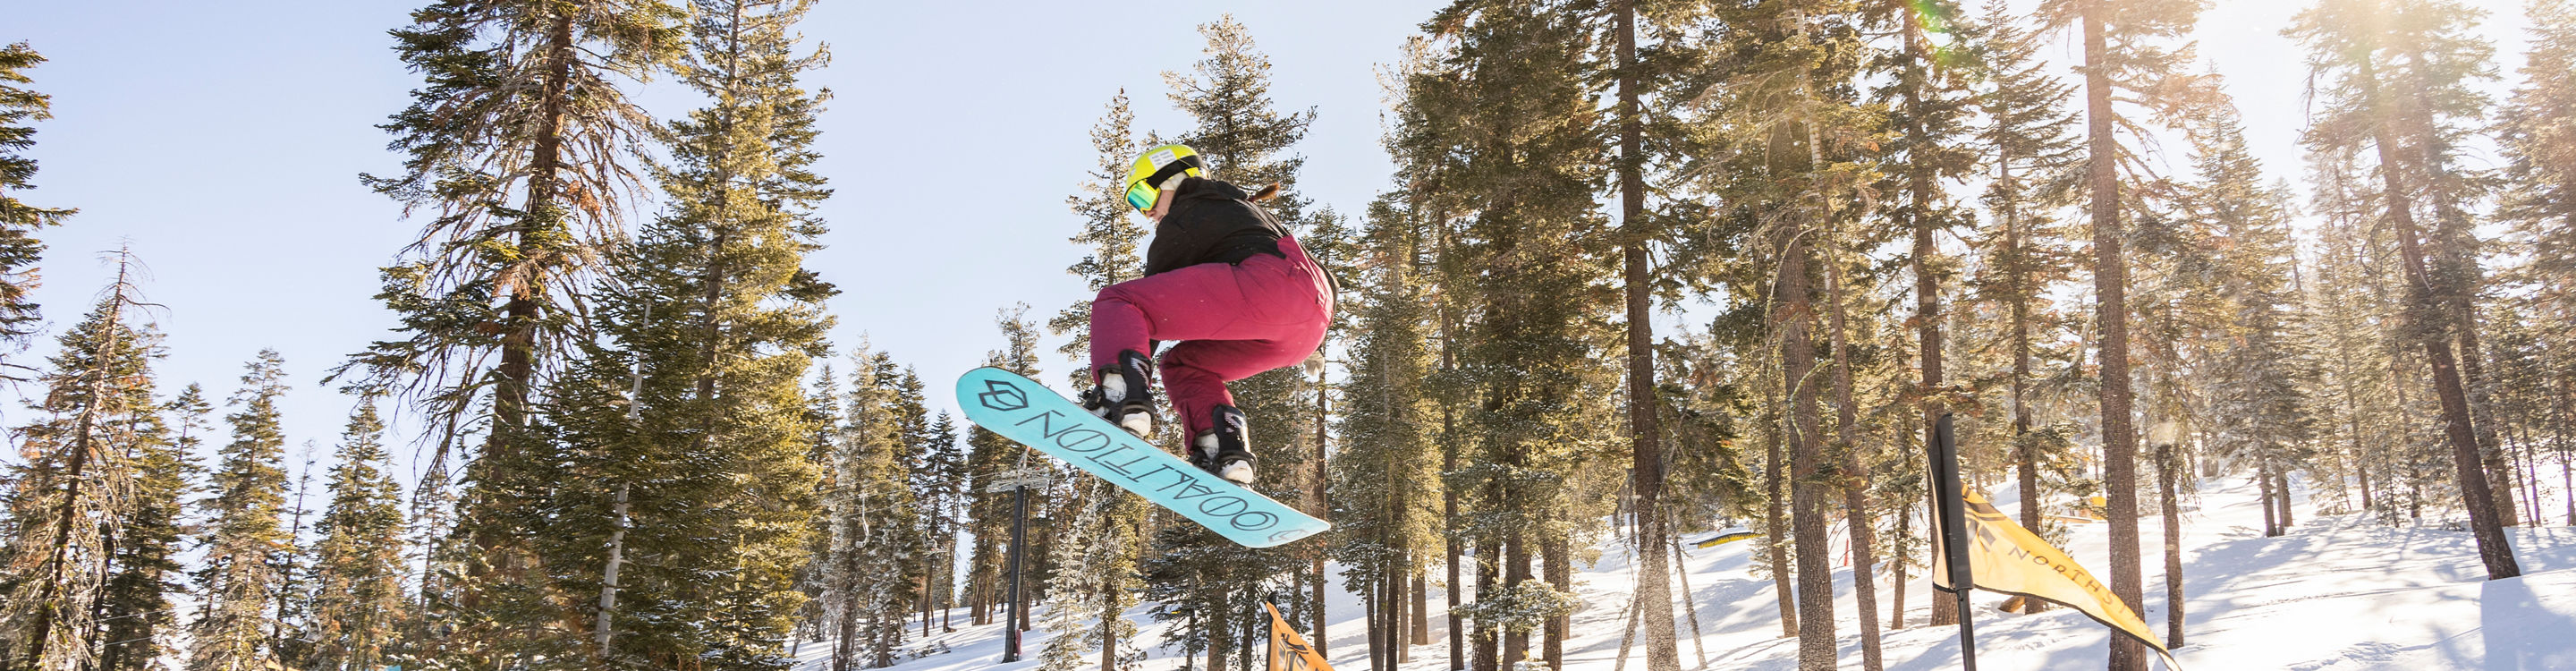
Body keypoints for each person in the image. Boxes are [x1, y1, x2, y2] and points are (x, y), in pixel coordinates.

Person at [1084, 144, 1334, 485]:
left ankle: (1118, 397)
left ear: (1173, 180)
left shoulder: (1190, 209)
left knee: (1119, 301)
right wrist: (1312, 339)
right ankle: (1223, 450)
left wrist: (1122, 384)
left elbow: (1144, 310)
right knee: (1184, 366)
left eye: (1143, 196)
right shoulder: (1239, 209)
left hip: (1267, 287)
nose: (1147, 212)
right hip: (1306, 327)